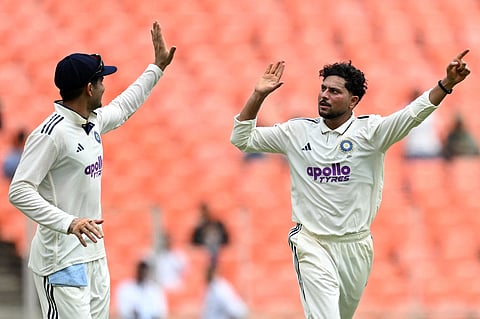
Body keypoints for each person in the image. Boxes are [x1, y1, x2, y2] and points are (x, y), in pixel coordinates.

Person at [230, 50, 471, 318]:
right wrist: (258, 95)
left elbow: (411, 115)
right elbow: (242, 138)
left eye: (334, 91)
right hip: (312, 242)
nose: (324, 95)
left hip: (356, 246)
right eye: (323, 89)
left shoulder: (371, 133)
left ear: (353, 100)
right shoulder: (296, 132)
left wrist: (446, 84)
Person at [8, 21, 176, 319]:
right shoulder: (50, 134)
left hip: (94, 256)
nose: (104, 86)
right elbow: (19, 190)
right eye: (101, 81)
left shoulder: (92, 120)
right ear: (89, 88)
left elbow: (123, 107)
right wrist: (69, 222)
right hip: (61, 259)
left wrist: (156, 69)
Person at [191, 202, 230, 268]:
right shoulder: (199, 227)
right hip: (203, 250)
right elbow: (194, 242)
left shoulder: (217, 224)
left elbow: (226, 238)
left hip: (218, 248)